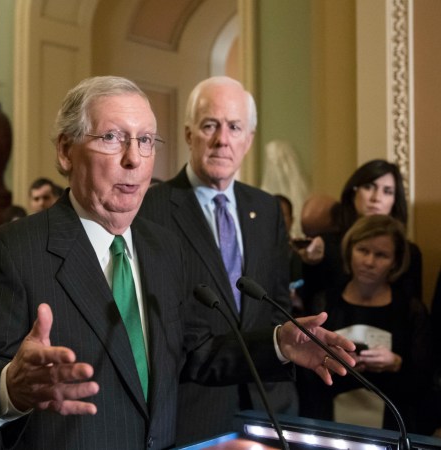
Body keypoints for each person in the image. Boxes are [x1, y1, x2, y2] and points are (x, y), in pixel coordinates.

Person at [0, 76, 356, 450]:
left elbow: (196, 352)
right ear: (66, 151)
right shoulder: (11, 251)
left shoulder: (163, 247)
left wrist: (279, 343)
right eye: (112, 138)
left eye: (145, 141)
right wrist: (10, 388)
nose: (133, 160)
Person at [139, 76, 299, 445]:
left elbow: (277, 304)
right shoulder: (151, 208)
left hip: (270, 407)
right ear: (188, 133)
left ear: (249, 139)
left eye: (234, 127)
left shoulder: (266, 207)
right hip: (194, 411)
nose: (222, 139)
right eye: (210, 125)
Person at [298, 215, 432, 432]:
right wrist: (330, 362)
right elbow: (304, 376)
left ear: (395, 262)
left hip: (393, 426)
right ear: (350, 251)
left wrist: (397, 364)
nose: (369, 262)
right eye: (363, 250)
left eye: (381, 255)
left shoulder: (410, 310)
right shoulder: (324, 303)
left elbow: (425, 381)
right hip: (328, 424)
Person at [300, 159, 423, 315]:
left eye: (387, 191)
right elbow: (311, 307)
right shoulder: (326, 246)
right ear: (353, 192)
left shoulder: (409, 253)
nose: (376, 198)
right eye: (368, 187)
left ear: (395, 201)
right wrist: (311, 263)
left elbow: (413, 314)